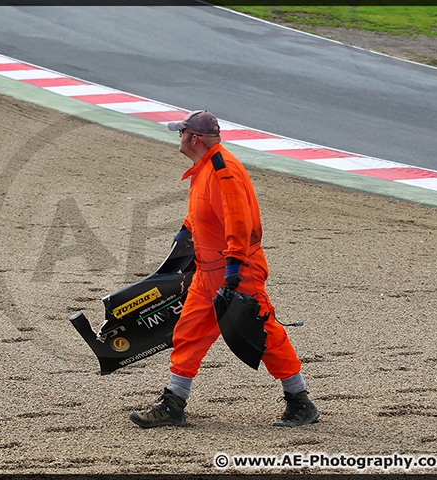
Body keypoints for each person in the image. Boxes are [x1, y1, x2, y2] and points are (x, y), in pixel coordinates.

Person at [129, 110, 319, 428]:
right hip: (209, 271)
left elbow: (237, 219)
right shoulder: (204, 168)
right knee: (188, 332)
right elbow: (204, 211)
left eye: (181, 132)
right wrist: (185, 233)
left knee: (263, 333)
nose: (178, 137)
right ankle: (174, 403)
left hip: (236, 268)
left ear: (195, 138)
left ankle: (300, 401)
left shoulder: (222, 170)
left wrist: (233, 266)